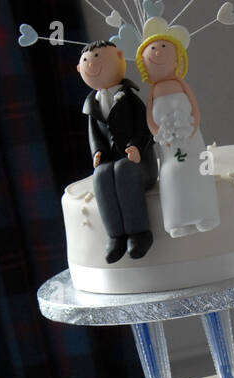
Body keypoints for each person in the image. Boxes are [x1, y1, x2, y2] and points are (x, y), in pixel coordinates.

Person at [135, 26, 220, 238]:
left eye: (163, 47)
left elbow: (195, 108)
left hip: (191, 138)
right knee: (173, 175)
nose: (157, 52)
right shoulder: (153, 92)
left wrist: (192, 128)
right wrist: (158, 133)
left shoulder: (181, 84)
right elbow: (149, 119)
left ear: (177, 58)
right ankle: (177, 220)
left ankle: (205, 214)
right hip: (168, 145)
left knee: (197, 170)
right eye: (152, 49)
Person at [77, 41, 157, 263]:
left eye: (97, 57)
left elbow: (145, 128)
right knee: (100, 175)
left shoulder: (130, 97)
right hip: (110, 163)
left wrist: (136, 147)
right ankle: (115, 236)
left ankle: (139, 233)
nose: (92, 63)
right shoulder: (92, 104)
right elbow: (95, 135)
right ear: (79, 69)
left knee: (124, 169)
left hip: (139, 164)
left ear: (120, 57)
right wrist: (98, 152)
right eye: (86, 60)